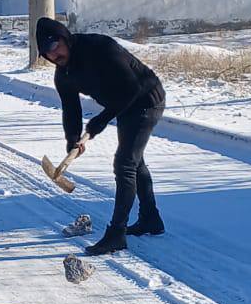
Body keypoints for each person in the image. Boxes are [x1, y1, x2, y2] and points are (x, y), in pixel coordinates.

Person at [36, 16, 166, 256]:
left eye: (55, 47)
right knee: (134, 162)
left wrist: (99, 121)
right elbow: (71, 108)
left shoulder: (99, 48)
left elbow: (132, 89)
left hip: (146, 99)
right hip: (124, 105)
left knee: (125, 163)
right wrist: (73, 138)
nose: (54, 56)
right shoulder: (63, 75)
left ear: (65, 38)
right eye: (47, 54)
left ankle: (116, 233)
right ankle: (150, 219)